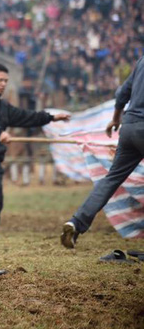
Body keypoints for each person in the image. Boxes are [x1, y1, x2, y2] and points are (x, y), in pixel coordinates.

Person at [0, 63, 70, 237]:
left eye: (6, 81)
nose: (3, 84)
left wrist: (51, 117)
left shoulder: (4, 107)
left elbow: (26, 116)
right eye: (0, 80)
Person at [61, 56, 144, 248]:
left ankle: (76, 222)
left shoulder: (141, 61)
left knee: (111, 179)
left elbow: (123, 92)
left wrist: (116, 119)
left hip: (129, 128)